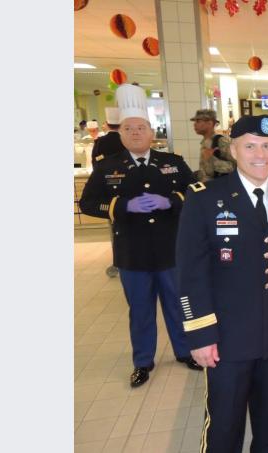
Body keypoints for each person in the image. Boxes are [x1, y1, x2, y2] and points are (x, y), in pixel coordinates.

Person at [177, 114, 268, 452]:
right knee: (225, 422)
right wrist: (201, 334)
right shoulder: (204, 198)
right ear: (233, 150)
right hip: (226, 335)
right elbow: (191, 273)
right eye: (250, 146)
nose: (260, 154)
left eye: (267, 146)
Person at [79, 84, 201, 388]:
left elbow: (196, 192)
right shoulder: (108, 167)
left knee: (177, 303)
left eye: (141, 127)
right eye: (128, 128)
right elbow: (88, 203)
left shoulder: (172, 162)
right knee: (141, 309)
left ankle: (186, 352)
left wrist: (170, 201)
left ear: (151, 132)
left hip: (170, 249)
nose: (135, 133)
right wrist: (122, 206)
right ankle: (143, 361)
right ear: (120, 133)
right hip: (132, 252)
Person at [192, 109, 236, 182]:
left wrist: (212, 160)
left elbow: (237, 166)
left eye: (198, 121)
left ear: (210, 123)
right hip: (207, 188)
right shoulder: (204, 142)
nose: (194, 124)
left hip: (220, 189)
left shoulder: (221, 141)